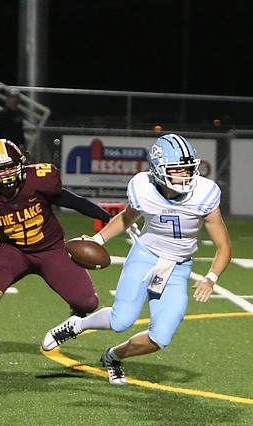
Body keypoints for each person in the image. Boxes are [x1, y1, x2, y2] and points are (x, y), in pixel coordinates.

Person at [40, 134, 232, 386]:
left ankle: (113, 356)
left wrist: (211, 277)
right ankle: (78, 324)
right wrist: (98, 240)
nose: (185, 175)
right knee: (121, 320)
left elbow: (224, 246)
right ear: (158, 171)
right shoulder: (144, 187)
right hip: (146, 255)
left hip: (178, 266)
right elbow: (125, 218)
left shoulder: (204, 193)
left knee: (160, 337)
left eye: (188, 169)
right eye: (177, 170)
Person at [0, 139, 112, 369]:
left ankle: (75, 313)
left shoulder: (40, 179)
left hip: (51, 248)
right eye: (0, 170)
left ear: (21, 164)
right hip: (13, 251)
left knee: (88, 303)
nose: (7, 174)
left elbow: (74, 201)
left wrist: (110, 219)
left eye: (11, 167)